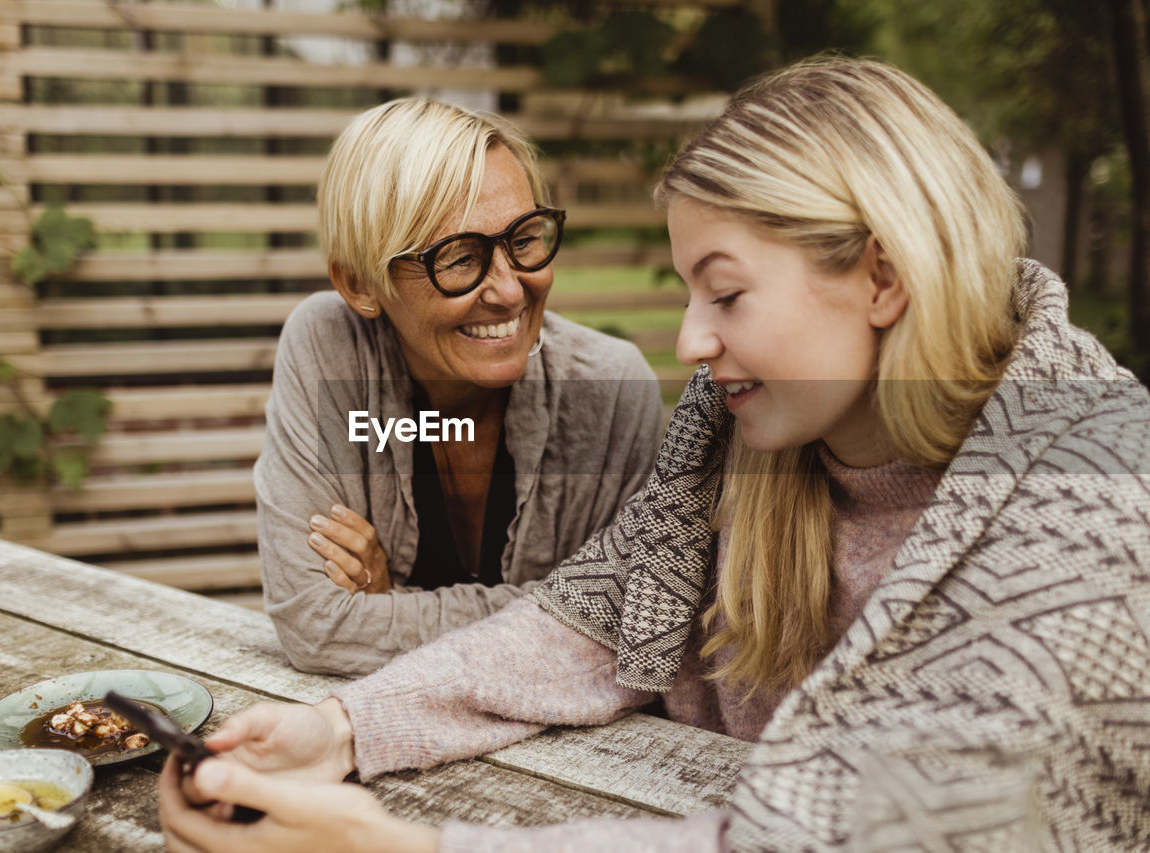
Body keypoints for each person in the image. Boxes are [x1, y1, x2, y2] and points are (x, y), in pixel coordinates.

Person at [161, 58, 1150, 851]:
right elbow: (590, 615)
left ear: (880, 276)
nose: (687, 341)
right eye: (687, 292)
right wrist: (339, 729)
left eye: (723, 293)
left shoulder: (1086, 522)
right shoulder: (743, 446)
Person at [256, 97, 663, 676]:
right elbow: (315, 626)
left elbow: (620, 626)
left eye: (523, 239)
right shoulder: (329, 346)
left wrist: (389, 602)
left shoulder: (612, 390)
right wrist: (548, 614)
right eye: (459, 258)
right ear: (360, 283)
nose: (511, 291)